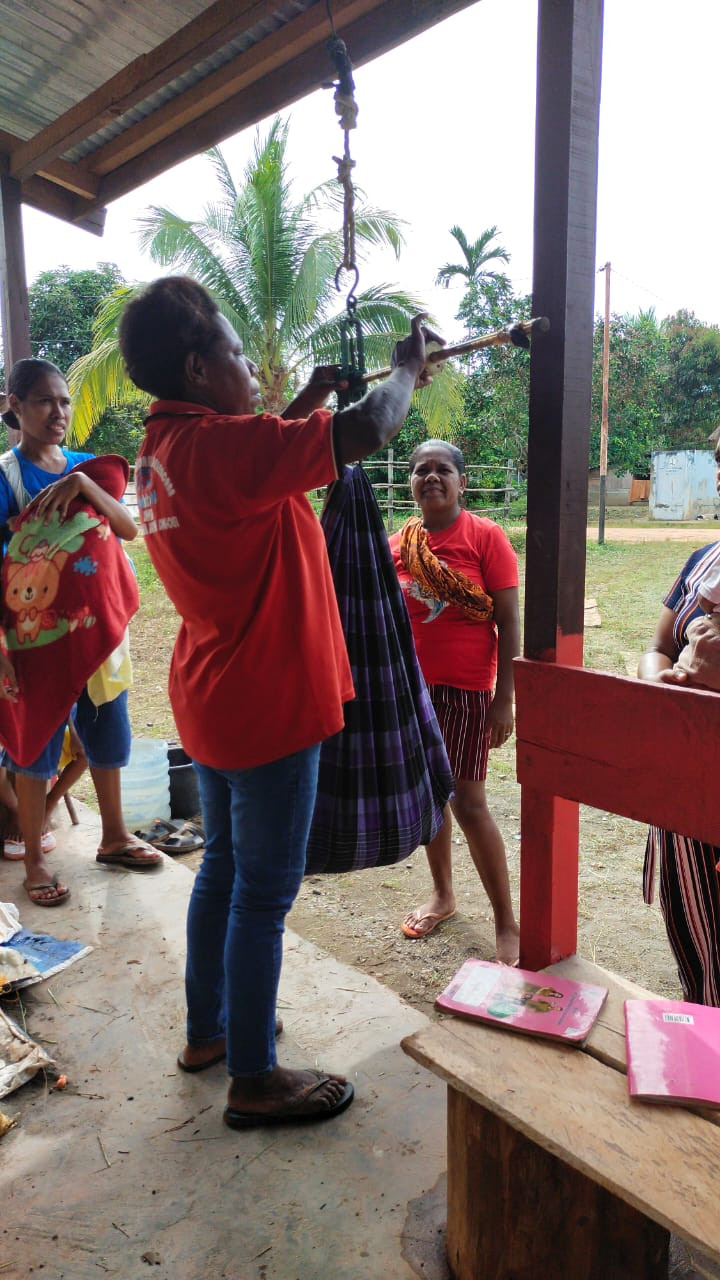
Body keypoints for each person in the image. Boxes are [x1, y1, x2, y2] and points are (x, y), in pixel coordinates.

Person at [118, 274, 435, 1129]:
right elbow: (370, 428)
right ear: (196, 368)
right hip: (268, 705)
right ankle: (254, 1078)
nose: (249, 368)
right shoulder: (224, 449)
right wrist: (405, 368)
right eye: (231, 351)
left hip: (216, 698)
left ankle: (211, 1031)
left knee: (222, 871)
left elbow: (259, 464)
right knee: (262, 895)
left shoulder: (164, 453)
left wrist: (304, 400)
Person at [0, 358, 162, 906]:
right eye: (44, 401)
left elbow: (129, 528)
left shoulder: (87, 467)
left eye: (64, 401)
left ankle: (113, 837)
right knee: (35, 743)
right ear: (15, 405)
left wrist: (84, 483)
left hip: (99, 633)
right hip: (34, 642)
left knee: (108, 732)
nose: (58, 411)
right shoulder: (7, 478)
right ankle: (37, 859)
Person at [389, 440, 521, 965]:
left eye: (444, 469)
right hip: (411, 691)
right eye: (422, 470)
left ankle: (505, 920)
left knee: (468, 802)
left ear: (462, 482)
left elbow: (509, 621)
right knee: (429, 798)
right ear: (411, 483)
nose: (432, 477)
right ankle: (443, 895)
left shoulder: (486, 537)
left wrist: (505, 699)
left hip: (467, 691)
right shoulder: (396, 543)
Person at [637, 520, 720, 1005]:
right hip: (684, 773)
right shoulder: (703, 559)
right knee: (692, 925)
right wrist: (659, 688)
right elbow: (658, 648)